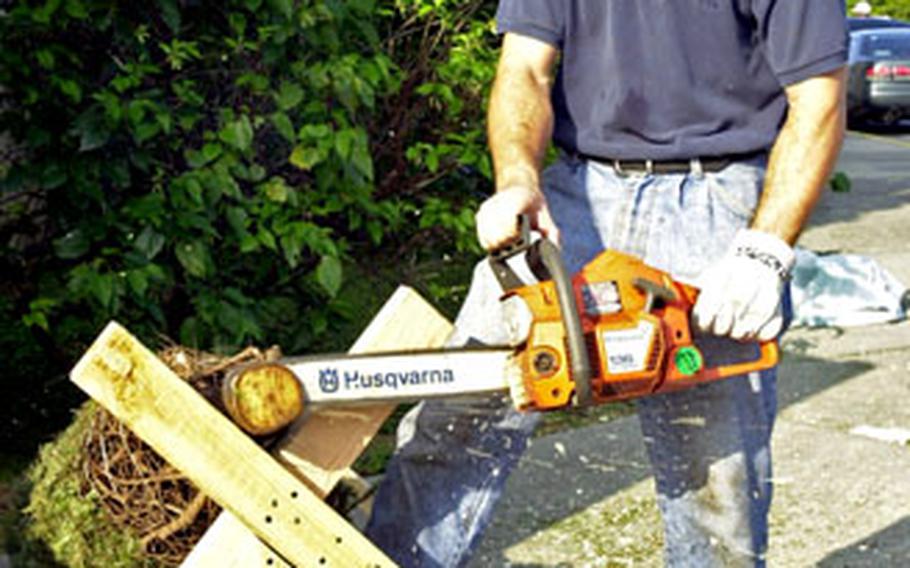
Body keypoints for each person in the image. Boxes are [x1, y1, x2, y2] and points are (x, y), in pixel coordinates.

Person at [365, 1, 847, 566]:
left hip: (717, 199)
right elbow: (524, 68)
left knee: (719, 477)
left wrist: (767, 247)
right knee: (457, 419)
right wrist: (518, 180)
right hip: (573, 194)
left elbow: (819, 98)